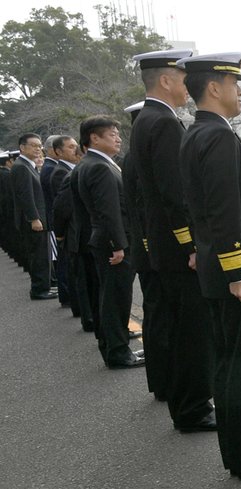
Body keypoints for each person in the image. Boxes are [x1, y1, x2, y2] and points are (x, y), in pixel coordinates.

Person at [178, 53, 241, 481]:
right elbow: (224, 212)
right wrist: (240, 271)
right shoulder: (217, 136)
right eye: (234, 83)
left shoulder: (196, 133)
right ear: (215, 87)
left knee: (228, 361)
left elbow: (197, 208)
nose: (240, 91)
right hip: (233, 269)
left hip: (214, 266)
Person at [127, 48, 217, 433]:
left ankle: (188, 403)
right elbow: (174, 195)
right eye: (182, 77)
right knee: (192, 332)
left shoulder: (148, 119)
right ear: (165, 80)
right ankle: (193, 408)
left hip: (164, 247)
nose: (187, 86)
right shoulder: (162, 122)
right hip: (178, 250)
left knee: (182, 328)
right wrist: (192, 246)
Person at [75, 116, 143, 369]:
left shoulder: (92, 164)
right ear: (94, 137)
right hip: (112, 244)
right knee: (116, 299)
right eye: (112, 134)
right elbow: (108, 211)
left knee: (111, 298)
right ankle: (118, 352)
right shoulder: (99, 167)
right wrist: (118, 244)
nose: (118, 138)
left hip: (106, 240)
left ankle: (114, 345)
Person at [122, 101, 169, 401]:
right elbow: (143, 209)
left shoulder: (132, 157)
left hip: (147, 248)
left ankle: (163, 380)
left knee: (157, 315)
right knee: (162, 317)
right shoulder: (142, 159)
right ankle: (165, 381)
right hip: (152, 250)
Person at [10, 133, 56, 300]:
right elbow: (25, 196)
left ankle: (44, 286)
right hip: (33, 221)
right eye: (34, 145)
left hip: (39, 218)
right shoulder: (21, 167)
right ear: (22, 148)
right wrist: (34, 218)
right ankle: (39, 289)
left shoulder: (28, 165)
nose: (38, 149)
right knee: (38, 256)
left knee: (42, 255)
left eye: (40, 145)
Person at [47, 136, 81, 313]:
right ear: (58, 152)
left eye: (76, 146)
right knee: (72, 269)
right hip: (72, 230)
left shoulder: (70, 169)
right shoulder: (61, 172)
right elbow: (65, 207)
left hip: (72, 229)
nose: (75, 149)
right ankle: (78, 306)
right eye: (70, 147)